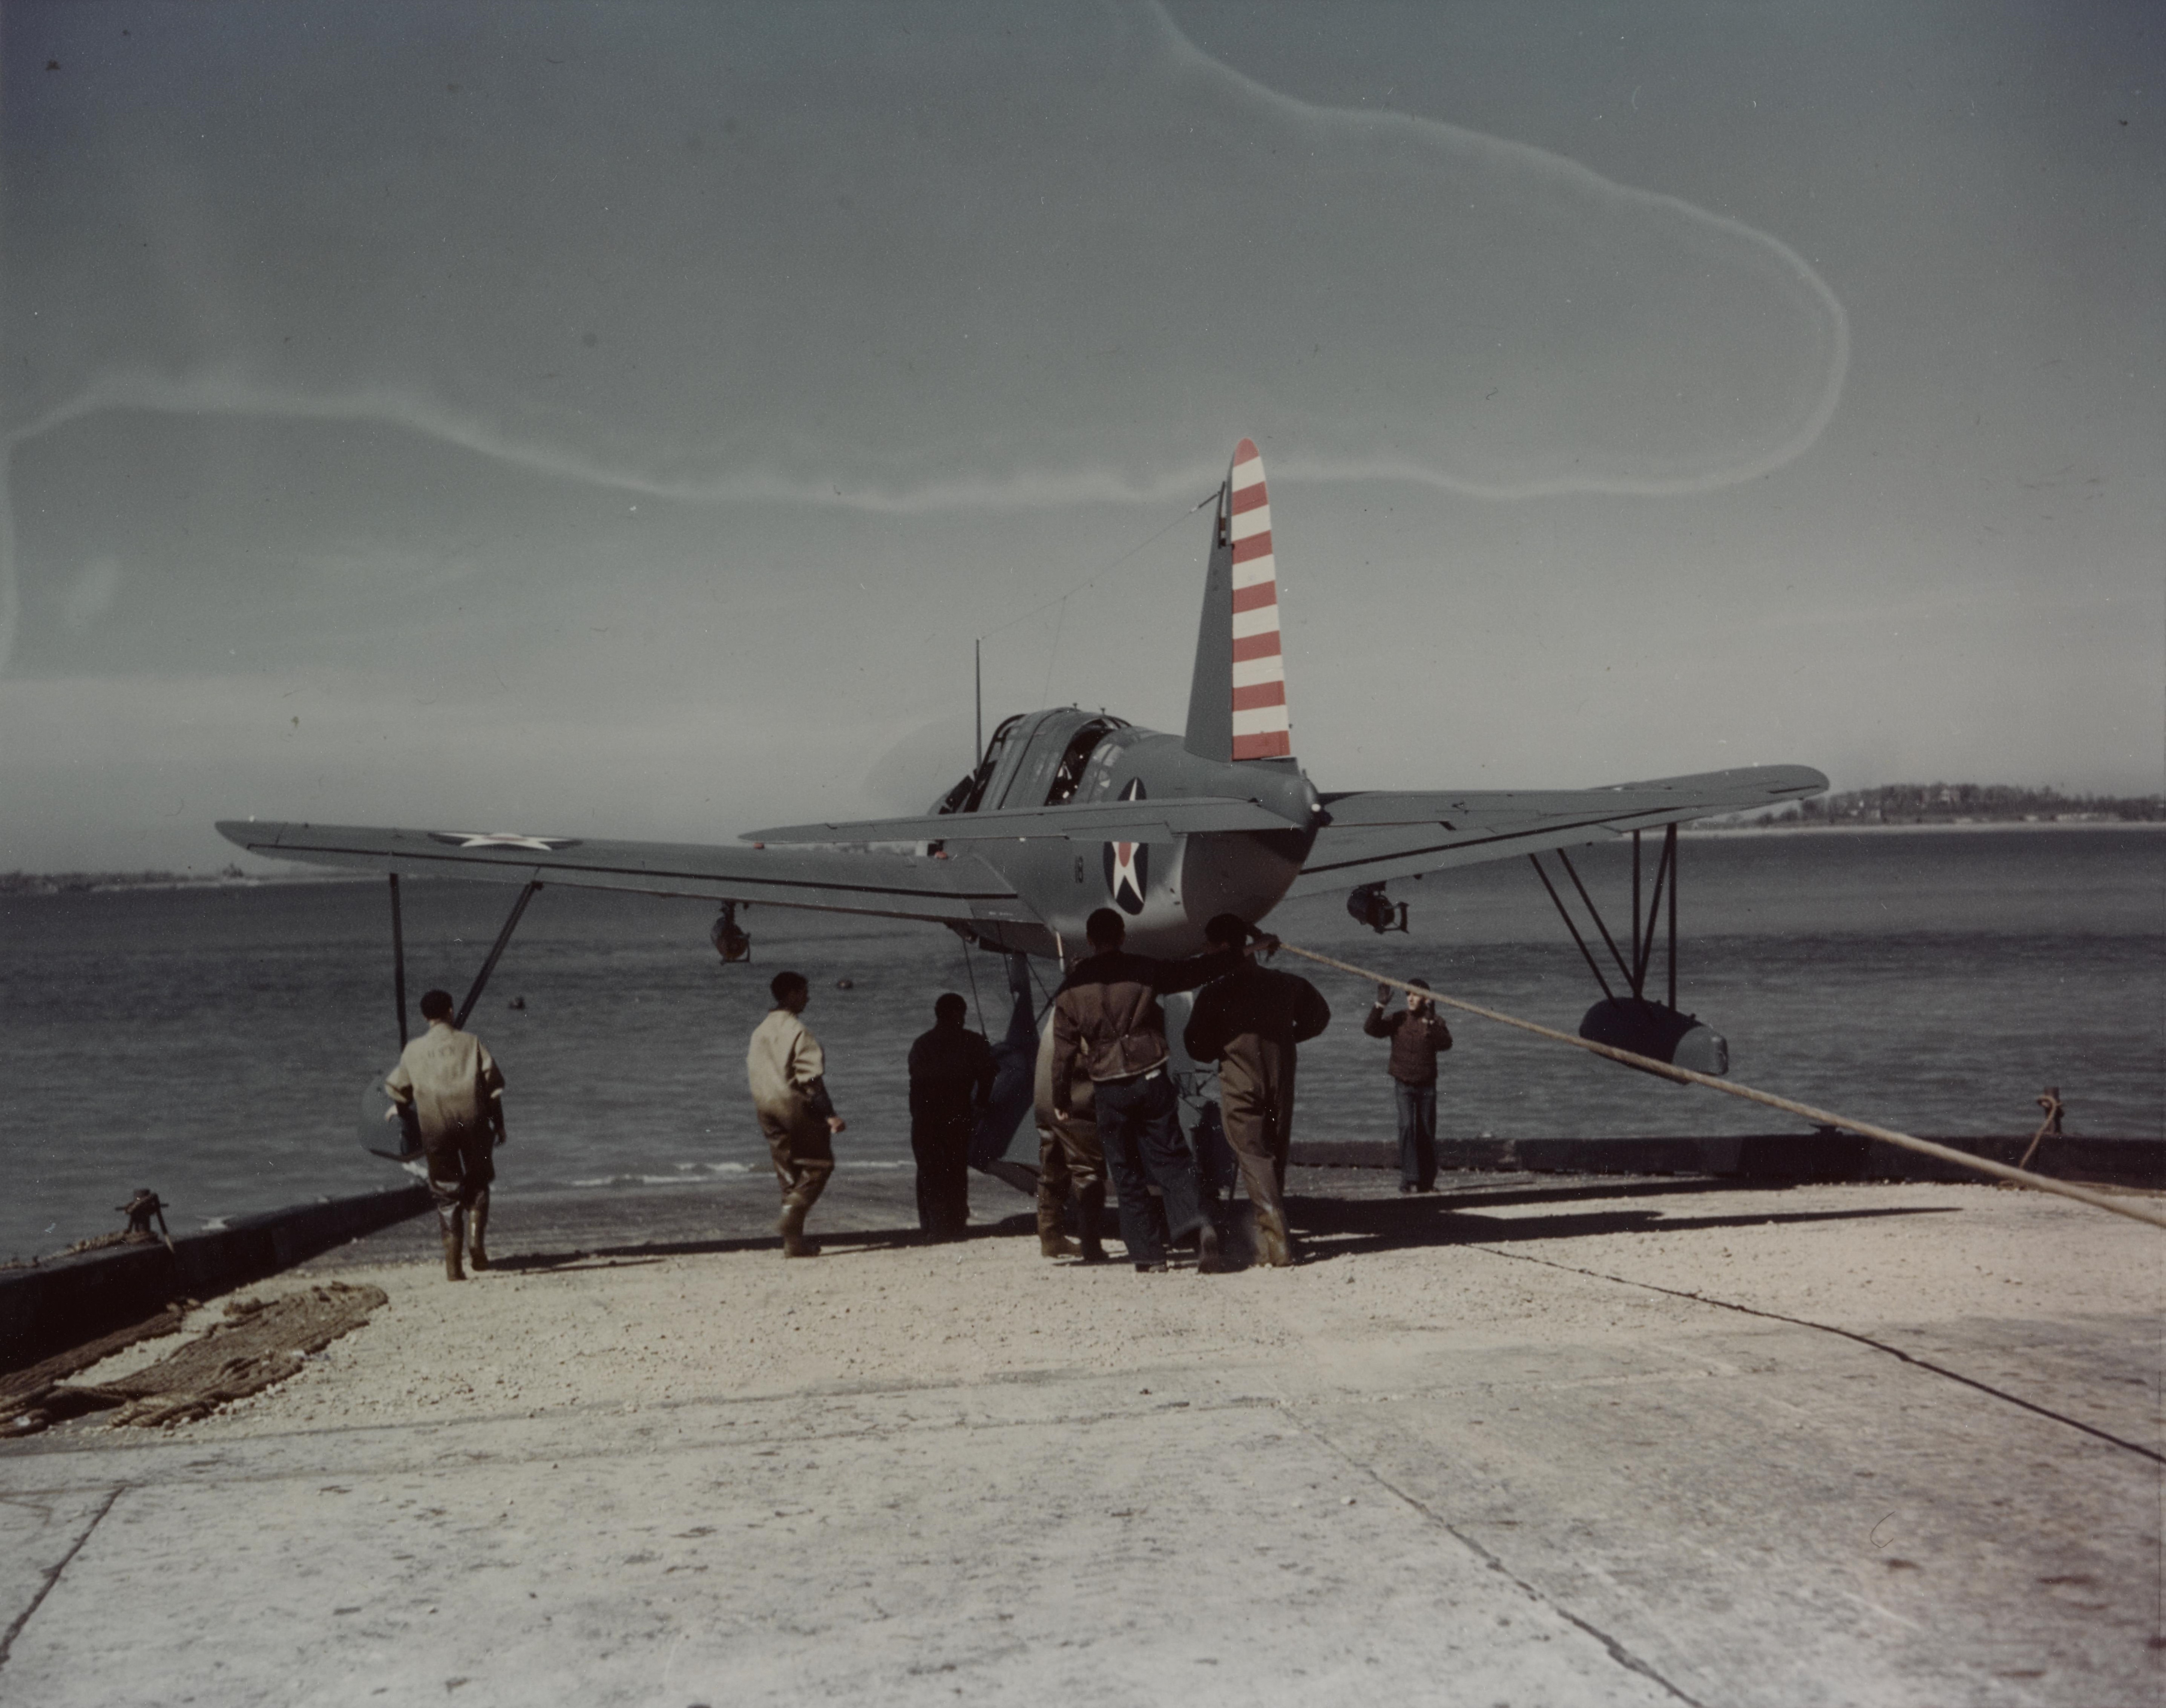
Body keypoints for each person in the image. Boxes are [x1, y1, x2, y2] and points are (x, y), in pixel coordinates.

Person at [1049, 908, 1248, 1272]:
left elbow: (1062, 1053)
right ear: (1122, 935)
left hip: (1108, 1085)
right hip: (1151, 1075)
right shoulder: (1144, 967)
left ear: (1091, 940)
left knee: (1125, 1173)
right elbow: (1194, 972)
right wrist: (1239, 954)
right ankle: (1201, 1226)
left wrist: (1061, 1098)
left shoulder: (1071, 989)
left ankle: (1149, 1256)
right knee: (1172, 1158)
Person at [1182, 914, 1330, 1267]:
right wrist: (1287, 1038)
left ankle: (1277, 1243)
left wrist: (1224, 1046)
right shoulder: (1286, 983)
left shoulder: (1216, 992)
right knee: (1273, 1154)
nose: (1204, 950)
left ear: (1222, 948)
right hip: (1280, 1077)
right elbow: (1319, 1017)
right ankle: (1270, 1239)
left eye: (1208, 944)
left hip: (1240, 1080)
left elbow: (1195, 1046)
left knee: (1252, 1156)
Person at [387, 989, 506, 1281]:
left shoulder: (413, 1050)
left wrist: (402, 1116)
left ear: (425, 1017)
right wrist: (499, 1125)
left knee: (445, 1193)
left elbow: (399, 1091)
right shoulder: (472, 1042)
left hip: (435, 1125)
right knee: (478, 1181)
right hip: (473, 1121)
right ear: (451, 1012)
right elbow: (493, 1090)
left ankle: (454, 1269)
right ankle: (476, 1244)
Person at [746, 970, 847, 1257]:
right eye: (804, 992)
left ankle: (793, 1244)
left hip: (764, 1106)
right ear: (790, 995)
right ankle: (789, 1218)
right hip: (791, 1103)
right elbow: (811, 1080)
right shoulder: (798, 1031)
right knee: (819, 1164)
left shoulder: (761, 1030)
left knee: (787, 1174)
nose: (808, 997)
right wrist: (830, 1115)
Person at [906, 993, 997, 1242]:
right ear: (959, 1013)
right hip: (958, 1113)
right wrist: (980, 1104)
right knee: (955, 1169)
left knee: (928, 1171)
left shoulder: (921, 1043)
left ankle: (932, 1226)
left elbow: (916, 1084)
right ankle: (955, 1223)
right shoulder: (972, 1041)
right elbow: (989, 1075)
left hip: (925, 1116)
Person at [1364, 978, 1454, 1192]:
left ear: (1426, 999)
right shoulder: (1398, 1019)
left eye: (1415, 994)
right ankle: (1409, 1177)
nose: (1411, 998)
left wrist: (1431, 1023)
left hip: (1426, 1086)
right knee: (1406, 1127)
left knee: (1425, 1131)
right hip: (1403, 1084)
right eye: (1408, 995)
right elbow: (1371, 1029)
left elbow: (1446, 1044)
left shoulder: (1435, 1021)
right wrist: (1380, 1005)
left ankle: (1426, 1182)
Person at [1032, 1012, 1107, 1263]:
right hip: (1072, 1101)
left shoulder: (1057, 1011)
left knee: (1051, 1169)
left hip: (1044, 1100)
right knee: (1089, 1172)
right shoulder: (1084, 1011)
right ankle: (1091, 1243)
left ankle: (1050, 1236)